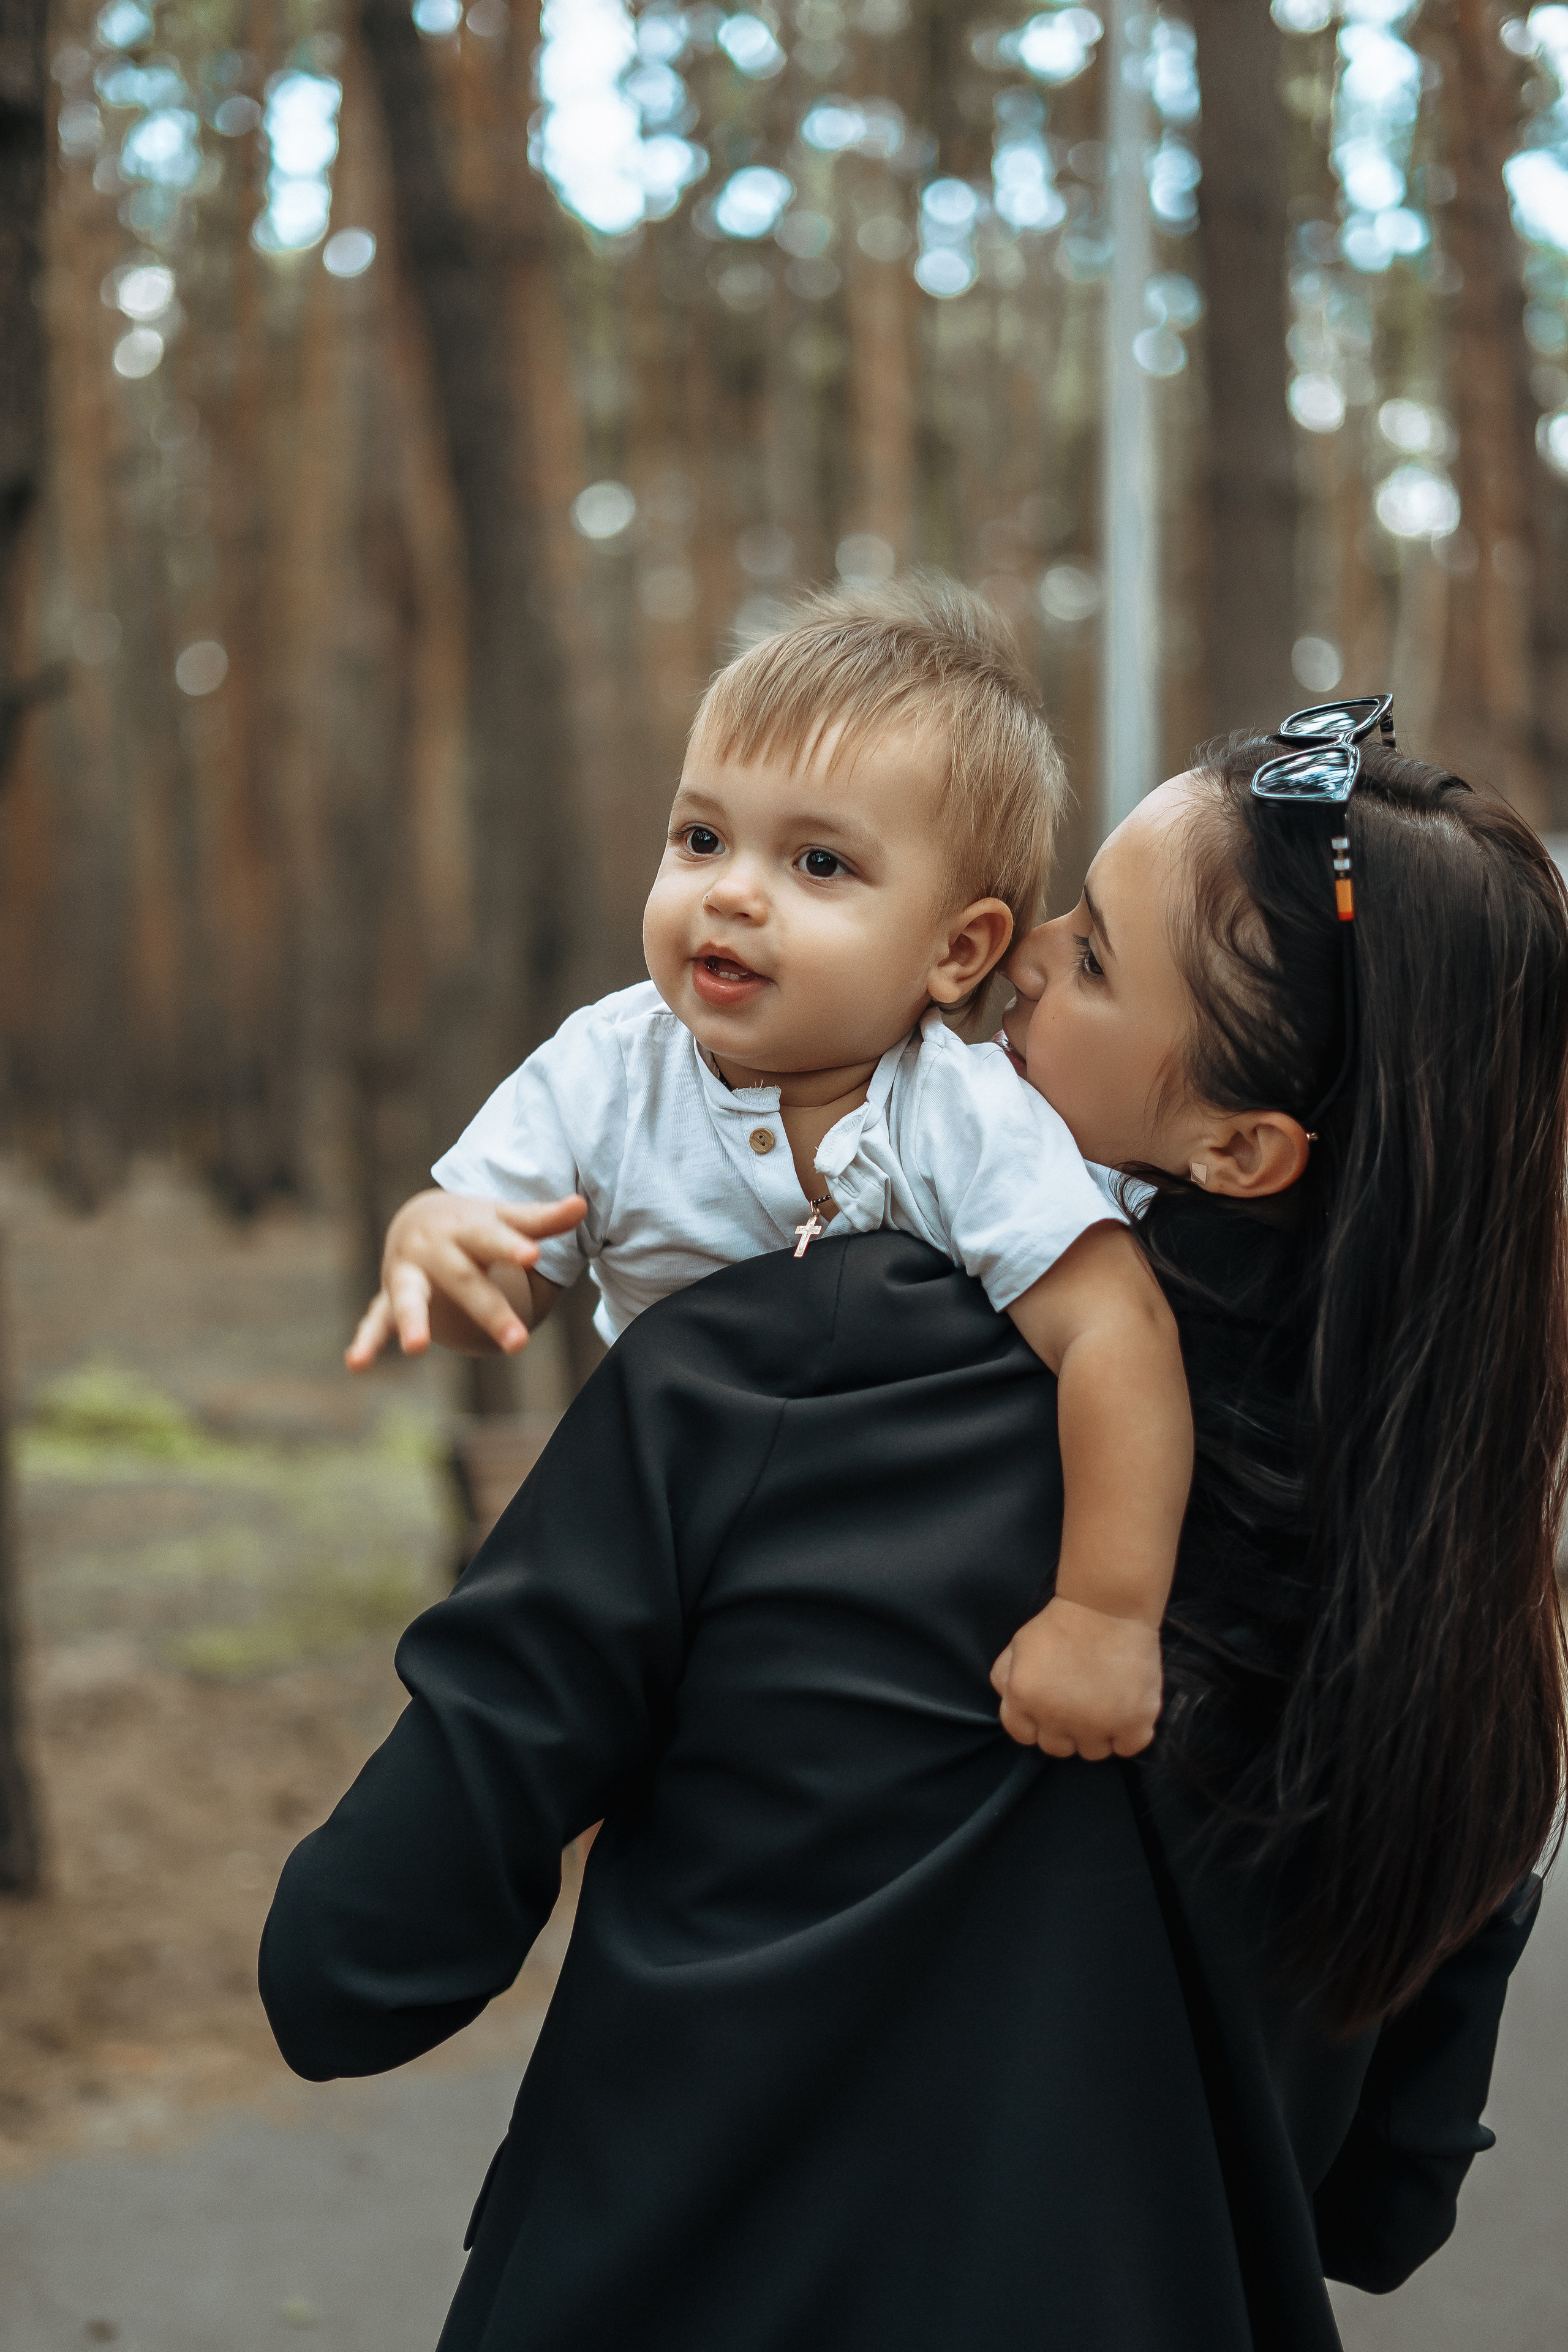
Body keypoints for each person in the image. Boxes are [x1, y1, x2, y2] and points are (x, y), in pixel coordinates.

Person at [262, 717, 1567, 2351]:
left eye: (1092, 960)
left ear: (1242, 1149)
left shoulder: (767, 1367)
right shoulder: (1474, 1591)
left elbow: (354, 1974)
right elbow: (1382, 2211)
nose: (1018, 967)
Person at [346, 581, 1192, 1760]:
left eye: (820, 864)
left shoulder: (961, 1115)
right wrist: (438, 1245)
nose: (730, 891)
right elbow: (500, 1292)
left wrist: (1104, 1613)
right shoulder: (606, 1070)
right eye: (702, 838)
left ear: (958, 950)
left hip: (911, 1584)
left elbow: (1116, 1335)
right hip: (679, 1559)